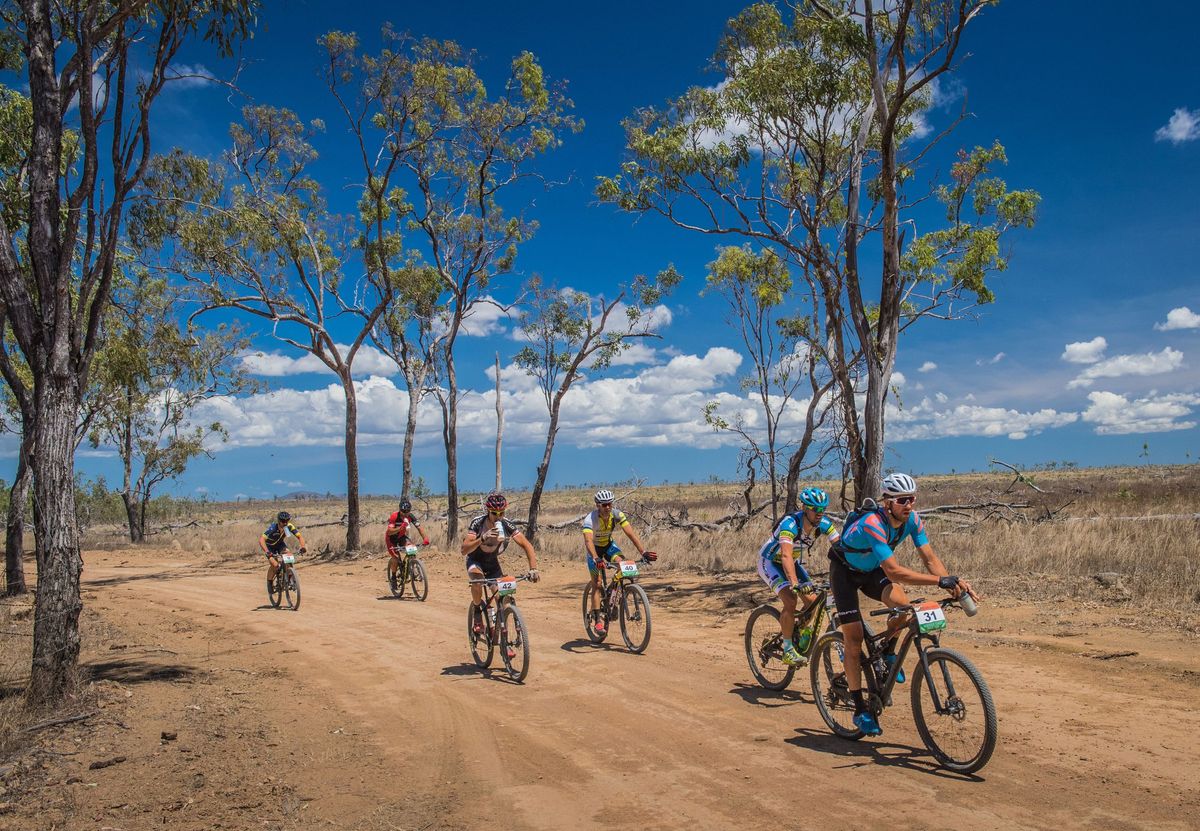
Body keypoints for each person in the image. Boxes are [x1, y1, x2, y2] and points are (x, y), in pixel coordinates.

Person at [828, 472, 978, 737]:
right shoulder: (872, 523)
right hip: (845, 573)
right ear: (887, 502)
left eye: (912, 499)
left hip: (873, 570)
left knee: (905, 609)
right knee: (854, 639)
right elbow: (895, 572)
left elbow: (930, 559)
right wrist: (939, 582)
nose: (908, 505)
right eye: (901, 501)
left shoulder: (913, 520)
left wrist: (952, 583)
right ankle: (861, 709)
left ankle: (887, 652)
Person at [756, 487, 840, 665]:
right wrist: (794, 583)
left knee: (812, 601)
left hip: (791, 562)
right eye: (815, 509)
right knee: (791, 600)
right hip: (770, 562)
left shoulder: (824, 524)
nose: (820, 514)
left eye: (822, 510)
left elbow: (841, 548)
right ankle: (787, 650)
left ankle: (797, 630)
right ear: (804, 508)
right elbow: (785, 556)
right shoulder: (790, 524)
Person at [461, 492, 539, 637]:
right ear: (488, 511)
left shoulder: (506, 524)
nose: (498, 516)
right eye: (494, 513)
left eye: (501, 513)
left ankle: (504, 637)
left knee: (503, 599)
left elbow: (526, 544)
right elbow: (464, 549)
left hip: (492, 564)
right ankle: (477, 611)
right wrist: (482, 538)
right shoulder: (478, 522)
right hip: (475, 560)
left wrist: (533, 569)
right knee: (477, 582)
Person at [583, 489, 656, 634]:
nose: (608, 507)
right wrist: (596, 558)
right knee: (596, 583)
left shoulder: (617, 515)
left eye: (610, 504)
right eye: (604, 505)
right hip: (594, 551)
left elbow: (630, 533)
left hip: (609, 546)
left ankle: (612, 593)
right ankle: (598, 620)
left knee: (625, 566)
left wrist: (643, 552)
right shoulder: (590, 519)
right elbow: (588, 540)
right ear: (598, 505)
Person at [260, 511, 307, 592]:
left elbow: (300, 537)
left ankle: (289, 578)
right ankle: (270, 582)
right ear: (279, 521)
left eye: (287, 521)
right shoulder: (273, 528)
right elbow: (261, 540)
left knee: (288, 554)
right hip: (269, 547)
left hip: (280, 544)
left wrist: (303, 547)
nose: (285, 523)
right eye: (283, 521)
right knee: (275, 565)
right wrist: (267, 551)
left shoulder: (289, 526)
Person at [385, 498, 429, 583]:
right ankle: (393, 577)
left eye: (407, 511)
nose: (405, 514)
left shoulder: (411, 516)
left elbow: (419, 528)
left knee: (412, 549)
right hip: (391, 539)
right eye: (403, 512)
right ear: (400, 510)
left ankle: (413, 568)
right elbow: (389, 532)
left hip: (401, 537)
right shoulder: (394, 516)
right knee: (396, 558)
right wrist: (400, 528)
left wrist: (425, 538)